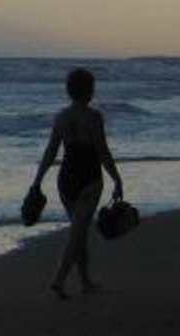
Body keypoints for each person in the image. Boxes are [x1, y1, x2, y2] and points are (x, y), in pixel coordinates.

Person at [30, 66, 124, 299]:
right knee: (78, 232)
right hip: (90, 178)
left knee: (79, 230)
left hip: (66, 180)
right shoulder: (94, 117)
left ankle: (85, 282)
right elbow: (102, 151)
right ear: (90, 91)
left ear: (69, 91)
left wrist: (37, 181)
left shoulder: (61, 117)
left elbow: (51, 152)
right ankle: (58, 280)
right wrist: (117, 179)